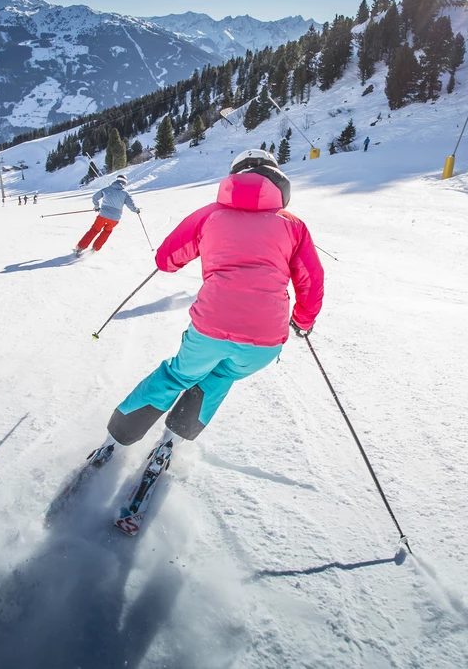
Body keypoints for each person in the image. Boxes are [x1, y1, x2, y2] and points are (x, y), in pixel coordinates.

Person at [84, 149, 324, 468]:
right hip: (264, 340)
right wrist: (303, 320)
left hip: (211, 327)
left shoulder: (210, 214)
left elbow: (167, 260)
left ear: (233, 177)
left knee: (177, 375)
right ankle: (172, 440)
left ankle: (116, 440)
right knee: (220, 377)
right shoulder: (293, 225)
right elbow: (311, 279)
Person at [75, 173, 140, 255]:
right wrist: (136, 210)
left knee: (94, 230)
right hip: (115, 219)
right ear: (124, 183)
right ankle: (95, 248)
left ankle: (80, 247)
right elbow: (131, 206)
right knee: (106, 232)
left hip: (103, 215)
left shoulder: (106, 189)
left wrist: (96, 207)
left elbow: (95, 197)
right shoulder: (125, 193)